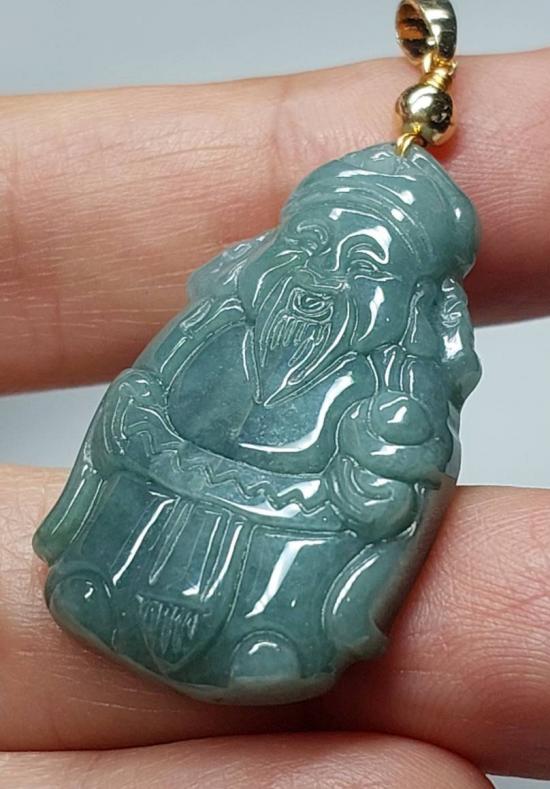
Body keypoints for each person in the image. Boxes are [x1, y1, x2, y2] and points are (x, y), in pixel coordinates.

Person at [0, 49, 549, 787]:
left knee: (271, 652)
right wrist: (140, 426)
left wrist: (362, 473)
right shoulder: (215, 330)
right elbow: (135, 406)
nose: (319, 282)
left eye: (363, 268)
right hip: (145, 545)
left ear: (418, 304)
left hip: (266, 591)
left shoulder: (393, 387)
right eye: (308, 249)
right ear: (264, 253)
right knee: (89, 589)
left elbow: (375, 508)